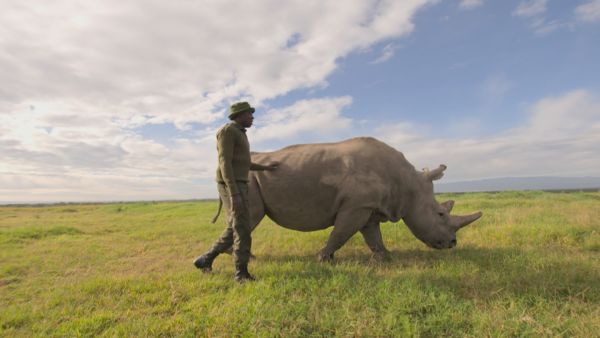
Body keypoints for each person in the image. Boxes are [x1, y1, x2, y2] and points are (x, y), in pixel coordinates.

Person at [194, 101, 278, 282]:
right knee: (242, 230)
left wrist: (265, 168)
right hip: (230, 184)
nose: (252, 117)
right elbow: (225, 163)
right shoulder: (228, 131)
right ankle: (241, 273)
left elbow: (244, 163)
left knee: (237, 227)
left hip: (240, 183)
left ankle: (205, 259)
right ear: (239, 115)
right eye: (249, 114)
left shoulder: (240, 133)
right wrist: (234, 193)